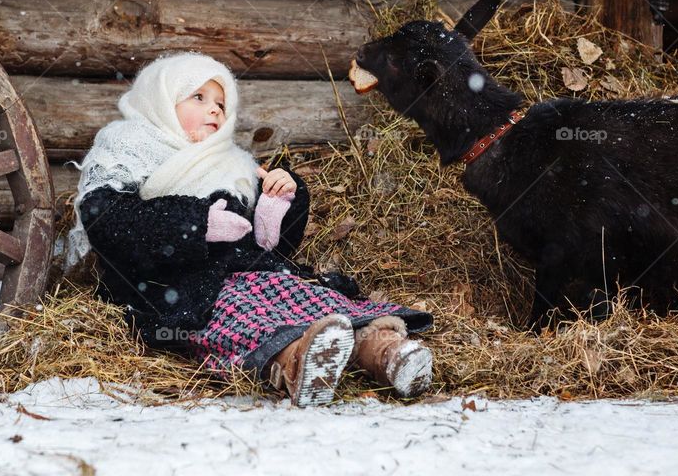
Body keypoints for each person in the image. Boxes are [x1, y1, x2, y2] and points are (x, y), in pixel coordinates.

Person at [68, 53, 434, 406]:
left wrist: (278, 205)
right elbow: (108, 221)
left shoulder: (232, 162)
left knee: (300, 294)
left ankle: (386, 351)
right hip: (172, 287)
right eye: (199, 97)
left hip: (246, 273)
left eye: (221, 103)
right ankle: (297, 362)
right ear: (161, 100)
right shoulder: (126, 150)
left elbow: (267, 248)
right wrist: (196, 223)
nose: (215, 109)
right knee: (243, 317)